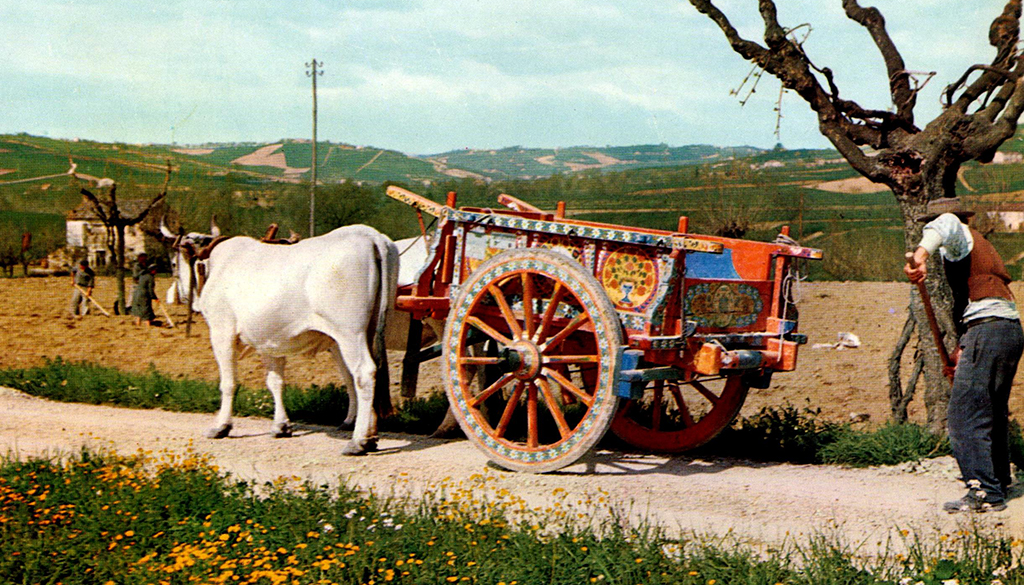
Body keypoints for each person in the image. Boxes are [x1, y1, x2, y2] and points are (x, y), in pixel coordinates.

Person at [904, 197, 1023, 513]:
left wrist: (920, 256)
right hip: (1005, 328)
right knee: (989, 409)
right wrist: (961, 348)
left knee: (964, 414)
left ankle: (983, 492)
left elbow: (945, 224)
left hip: (987, 329)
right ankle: (997, 482)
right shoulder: (977, 245)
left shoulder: (957, 233)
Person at [130, 262, 160, 326]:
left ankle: (138, 324)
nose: (156, 272)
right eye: (155, 270)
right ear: (152, 270)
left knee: (139, 310)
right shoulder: (150, 278)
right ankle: (148, 325)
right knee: (146, 310)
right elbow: (150, 290)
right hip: (144, 296)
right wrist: (155, 298)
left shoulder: (142, 276)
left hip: (136, 294)